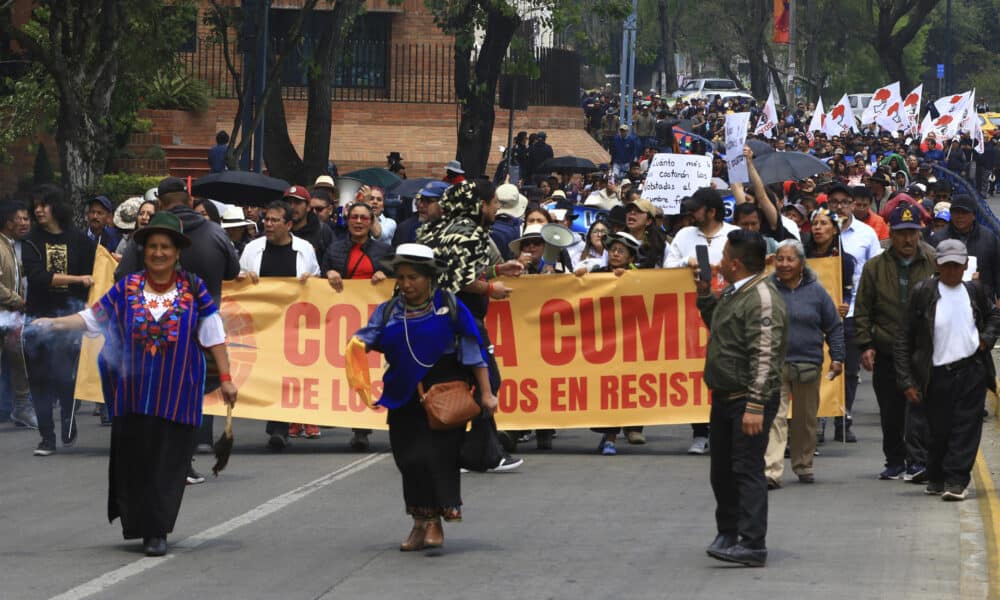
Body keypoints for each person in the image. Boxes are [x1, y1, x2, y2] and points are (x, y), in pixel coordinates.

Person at [32, 211, 238, 556]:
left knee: (168, 465)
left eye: (165, 247)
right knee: (139, 462)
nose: (158, 253)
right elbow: (92, 319)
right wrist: (52, 324)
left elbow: (213, 333)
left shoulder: (193, 287)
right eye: (152, 246)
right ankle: (142, 525)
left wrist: (228, 379)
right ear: (143, 251)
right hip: (133, 394)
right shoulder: (127, 288)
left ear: (177, 252)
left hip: (178, 393)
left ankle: (157, 530)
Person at [349, 244, 493, 551]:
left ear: (429, 278)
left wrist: (486, 394)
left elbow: (473, 352)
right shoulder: (389, 310)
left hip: (444, 390)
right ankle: (419, 520)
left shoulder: (450, 305)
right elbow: (369, 336)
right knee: (408, 459)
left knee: (437, 458)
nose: (406, 284)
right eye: (401, 277)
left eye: (413, 277)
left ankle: (434, 524)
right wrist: (357, 345)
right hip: (403, 392)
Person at [115, 176, 240, 481]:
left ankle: (161, 461)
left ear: (160, 203)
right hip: (203, 332)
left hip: (156, 332)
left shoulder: (149, 240)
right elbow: (233, 270)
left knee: (157, 397)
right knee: (191, 396)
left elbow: (120, 277)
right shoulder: (214, 233)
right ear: (188, 198)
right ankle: (186, 455)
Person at [695, 229, 788, 568]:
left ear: (734, 264)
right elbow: (719, 327)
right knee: (721, 470)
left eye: (722, 258)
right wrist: (705, 295)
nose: (717, 263)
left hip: (747, 399)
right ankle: (728, 532)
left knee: (747, 470)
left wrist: (754, 405)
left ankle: (752, 543)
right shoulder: (735, 293)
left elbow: (765, 355)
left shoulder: (761, 299)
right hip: (723, 397)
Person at [417, 180, 524, 467]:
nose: (497, 208)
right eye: (494, 203)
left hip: (444, 320)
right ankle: (476, 453)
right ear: (480, 205)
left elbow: (459, 269)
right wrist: (492, 289)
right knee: (484, 381)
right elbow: (460, 280)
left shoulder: (447, 229)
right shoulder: (469, 233)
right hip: (461, 321)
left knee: (459, 383)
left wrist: (498, 269)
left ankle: (474, 451)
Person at [896, 240, 1000, 500]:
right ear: (937, 265)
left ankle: (956, 480)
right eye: (947, 265)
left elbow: (994, 316)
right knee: (938, 430)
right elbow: (904, 337)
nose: (952, 270)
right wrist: (907, 380)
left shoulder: (975, 291)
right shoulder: (923, 293)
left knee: (966, 428)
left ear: (966, 265)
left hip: (972, 370)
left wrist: (986, 339)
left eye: (957, 265)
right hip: (936, 374)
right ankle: (937, 476)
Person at [855, 203, 935, 481]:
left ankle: (919, 460)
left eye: (912, 232)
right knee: (890, 410)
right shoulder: (875, 267)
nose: (907, 239)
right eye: (901, 233)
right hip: (887, 348)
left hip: (924, 351)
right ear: (892, 233)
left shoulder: (933, 262)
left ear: (919, 232)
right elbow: (863, 307)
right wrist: (865, 344)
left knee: (921, 408)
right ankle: (895, 459)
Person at [239, 201, 321, 448]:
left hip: (294, 325)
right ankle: (276, 423)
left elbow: (317, 280)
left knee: (287, 376)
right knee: (269, 375)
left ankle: (280, 427)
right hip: (262, 324)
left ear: (288, 224)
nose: (268, 224)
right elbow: (239, 278)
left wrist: (311, 280)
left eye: (275, 220)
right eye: (266, 219)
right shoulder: (252, 249)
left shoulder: (304, 249)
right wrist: (244, 279)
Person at [665, 188, 740, 454]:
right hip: (687, 315)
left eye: (697, 209)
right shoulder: (684, 236)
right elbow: (666, 268)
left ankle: (724, 431)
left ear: (711, 211)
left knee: (724, 371)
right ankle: (699, 432)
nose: (691, 213)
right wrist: (687, 262)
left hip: (725, 316)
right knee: (693, 371)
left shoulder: (732, 235)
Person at [764, 240, 844, 488]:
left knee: (805, 420)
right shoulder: (766, 289)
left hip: (808, 364)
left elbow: (833, 326)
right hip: (774, 364)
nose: (784, 264)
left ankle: (803, 464)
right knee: (775, 418)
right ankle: (772, 471)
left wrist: (838, 357)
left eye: (790, 259)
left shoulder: (816, 291)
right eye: (780, 259)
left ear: (801, 264)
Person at [22, 187, 96, 456]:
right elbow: (38, 277)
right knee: (40, 380)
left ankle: (68, 418)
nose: (39, 210)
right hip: (38, 320)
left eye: (44, 205)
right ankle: (46, 438)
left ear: (56, 207)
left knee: (66, 377)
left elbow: (96, 270)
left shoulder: (78, 240)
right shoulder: (31, 241)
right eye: (36, 206)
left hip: (70, 320)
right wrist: (78, 280)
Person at [323, 202, 391, 451]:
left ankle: (362, 430)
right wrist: (328, 274)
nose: (359, 222)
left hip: (374, 322)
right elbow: (320, 279)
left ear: (371, 221)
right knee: (345, 372)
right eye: (354, 217)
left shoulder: (385, 251)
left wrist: (385, 275)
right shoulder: (335, 249)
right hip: (342, 320)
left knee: (369, 372)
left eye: (364, 217)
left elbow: (398, 281)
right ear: (347, 220)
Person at [827, 183, 881, 442]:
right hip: (823, 314)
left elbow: (875, 274)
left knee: (848, 371)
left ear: (851, 204)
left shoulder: (867, 234)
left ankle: (843, 416)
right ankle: (819, 419)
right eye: (834, 201)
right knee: (822, 368)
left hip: (854, 314)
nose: (839, 206)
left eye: (843, 202)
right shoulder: (819, 230)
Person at [0, 202, 36, 428]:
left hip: (10, 318)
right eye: (18, 218)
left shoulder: (10, 246)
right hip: (6, 312)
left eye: (26, 218)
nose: (23, 222)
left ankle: (22, 408)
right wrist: (18, 300)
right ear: (7, 222)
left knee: (19, 362)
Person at [931, 194, 1000, 300]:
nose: (960, 216)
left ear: (973, 215)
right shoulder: (938, 239)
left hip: (982, 300)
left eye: (964, 212)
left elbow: (997, 269)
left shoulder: (989, 238)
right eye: (956, 212)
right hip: (947, 298)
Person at [393, 181, 449, 247]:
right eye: (421, 200)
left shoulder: (453, 233)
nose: (421, 205)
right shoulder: (405, 228)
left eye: (429, 201)